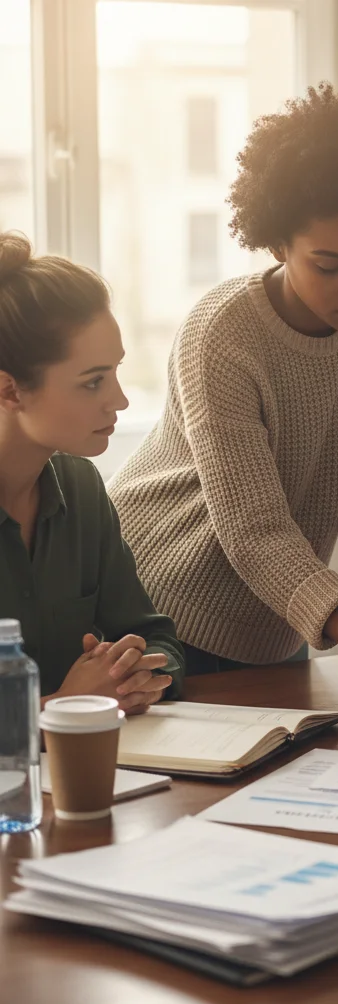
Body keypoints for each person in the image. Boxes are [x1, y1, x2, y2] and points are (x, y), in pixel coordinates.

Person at [109, 85, 338, 729]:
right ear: (277, 244)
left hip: (279, 619)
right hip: (158, 610)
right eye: (328, 265)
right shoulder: (221, 334)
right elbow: (254, 530)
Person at [0, 232, 183, 710]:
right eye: (93, 381)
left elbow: (156, 639)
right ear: (10, 391)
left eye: (116, 371)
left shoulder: (81, 487)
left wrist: (133, 673)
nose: (119, 399)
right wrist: (64, 705)